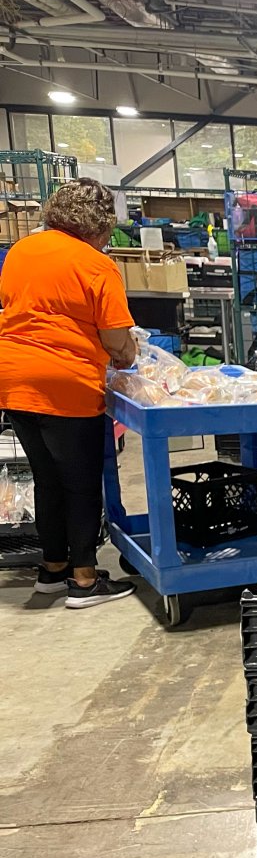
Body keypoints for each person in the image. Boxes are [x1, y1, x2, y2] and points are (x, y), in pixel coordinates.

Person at [0, 177, 138, 609]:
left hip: (13, 379)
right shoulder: (95, 264)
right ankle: (84, 579)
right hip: (66, 383)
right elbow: (117, 338)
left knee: (46, 478)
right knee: (80, 483)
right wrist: (128, 356)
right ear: (100, 225)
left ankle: (52, 569)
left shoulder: (21, 250)